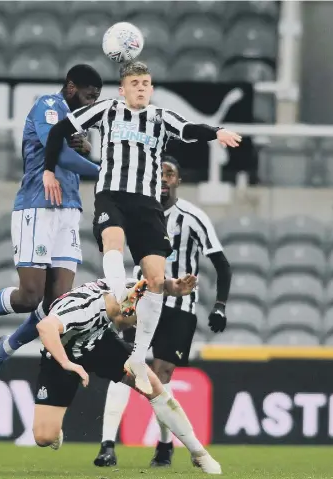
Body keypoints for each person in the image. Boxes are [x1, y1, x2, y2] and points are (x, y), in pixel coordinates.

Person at [43, 61, 241, 394]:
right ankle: (120, 293)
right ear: (123, 89)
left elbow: (190, 129)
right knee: (113, 240)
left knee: (154, 278)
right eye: (134, 82)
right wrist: (49, 169)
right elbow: (60, 129)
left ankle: (138, 354)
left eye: (146, 83)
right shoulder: (107, 110)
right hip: (112, 195)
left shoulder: (160, 117)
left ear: (151, 89)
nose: (140, 88)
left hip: (147, 206)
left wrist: (216, 133)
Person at [0, 65, 103, 381]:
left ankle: (5, 348)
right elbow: (57, 152)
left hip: (70, 209)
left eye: (96, 98)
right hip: (38, 206)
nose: (90, 103)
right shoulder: (48, 105)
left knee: (57, 307)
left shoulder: (77, 121)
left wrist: (85, 146)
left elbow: (80, 149)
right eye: (88, 95)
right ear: (72, 87)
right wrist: (105, 171)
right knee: (30, 297)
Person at [94, 156, 232, 468]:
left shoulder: (193, 217)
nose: (164, 179)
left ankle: (165, 444)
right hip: (142, 299)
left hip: (179, 307)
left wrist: (220, 305)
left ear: (178, 181)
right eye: (158, 174)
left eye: (169, 173)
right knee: (126, 367)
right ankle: (107, 445)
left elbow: (221, 264)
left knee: (160, 372)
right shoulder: (138, 211)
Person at [32, 274, 222, 475]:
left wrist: (173, 286)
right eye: (136, 320)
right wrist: (67, 363)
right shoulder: (82, 308)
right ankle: (53, 430)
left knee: (154, 387)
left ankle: (198, 453)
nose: (136, 326)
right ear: (126, 308)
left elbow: (153, 285)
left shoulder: (129, 289)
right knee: (44, 438)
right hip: (61, 355)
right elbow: (45, 327)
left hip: (99, 343)